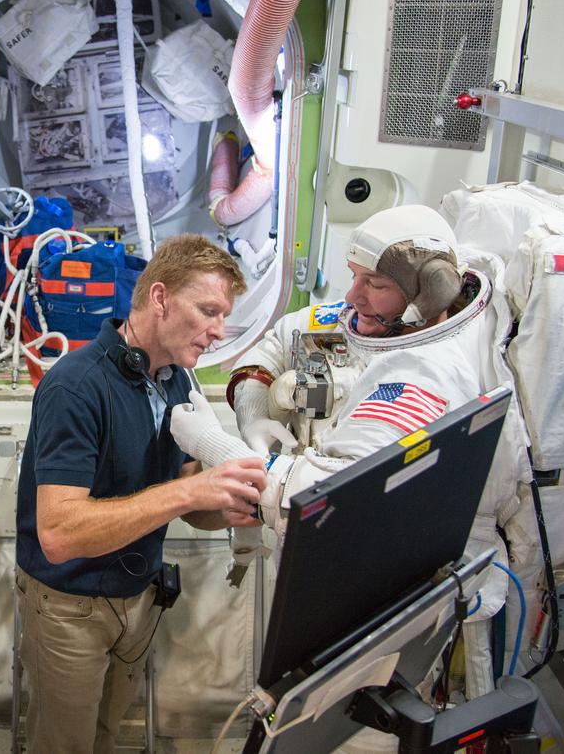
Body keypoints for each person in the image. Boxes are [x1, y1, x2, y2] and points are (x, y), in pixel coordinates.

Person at [175, 204, 540, 705]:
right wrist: (255, 411)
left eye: (373, 283)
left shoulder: (423, 376)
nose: (351, 297)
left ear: (426, 293)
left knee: (340, 718)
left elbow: (322, 500)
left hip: (379, 580)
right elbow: (277, 342)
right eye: (353, 277)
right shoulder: (365, 322)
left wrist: (210, 444)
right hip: (336, 556)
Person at [15, 233, 268, 754]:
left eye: (224, 316)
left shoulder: (173, 379)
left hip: (139, 597)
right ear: (159, 298)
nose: (219, 331)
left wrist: (227, 507)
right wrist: (188, 492)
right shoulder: (75, 387)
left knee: (106, 737)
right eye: (208, 311)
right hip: (71, 607)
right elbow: (59, 535)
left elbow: (185, 492)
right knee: (64, 747)